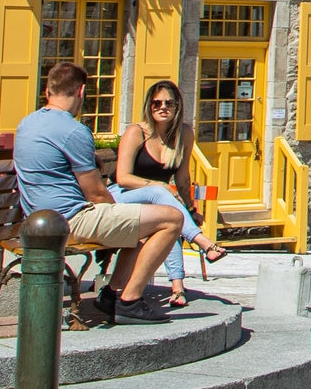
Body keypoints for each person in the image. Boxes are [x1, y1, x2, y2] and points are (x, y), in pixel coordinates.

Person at [15, 61, 184, 324]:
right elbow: (96, 194)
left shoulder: (28, 123)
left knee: (142, 226)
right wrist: (119, 210)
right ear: (81, 92)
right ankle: (129, 301)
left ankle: (112, 295)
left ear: (48, 90)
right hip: (70, 221)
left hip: (38, 219)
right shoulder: (74, 131)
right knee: (171, 219)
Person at [112, 80, 227, 308]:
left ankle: (177, 288)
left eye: (169, 103)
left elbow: (183, 177)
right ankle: (202, 242)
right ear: (149, 106)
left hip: (160, 202)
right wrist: (159, 187)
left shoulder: (184, 134)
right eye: (156, 103)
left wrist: (191, 209)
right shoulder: (137, 132)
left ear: (177, 107)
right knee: (161, 197)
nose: (162, 107)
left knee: (169, 219)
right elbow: (122, 177)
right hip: (124, 195)